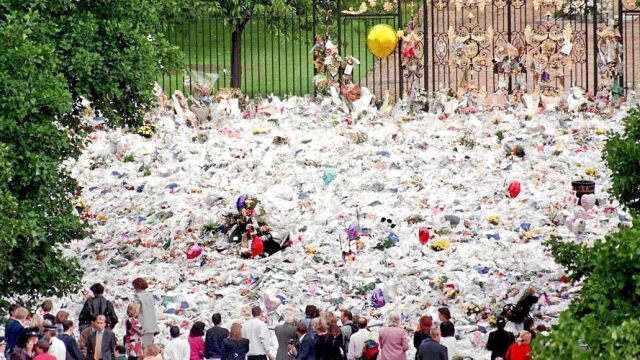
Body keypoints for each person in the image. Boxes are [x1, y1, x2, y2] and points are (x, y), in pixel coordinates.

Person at [132, 278, 159, 347]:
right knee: (149, 347)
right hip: (152, 326)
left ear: (136, 286)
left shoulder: (137, 296)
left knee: (143, 349)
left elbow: (136, 311)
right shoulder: (150, 295)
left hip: (143, 327)